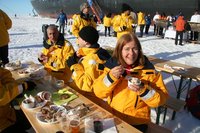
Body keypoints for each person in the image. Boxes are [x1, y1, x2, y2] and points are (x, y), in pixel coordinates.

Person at [93, 33, 168, 132]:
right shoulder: (111, 67)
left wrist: (143, 90)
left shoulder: (149, 72)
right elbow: (98, 92)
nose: (131, 53)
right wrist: (110, 77)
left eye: (135, 49)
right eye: (127, 49)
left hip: (137, 121)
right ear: (120, 50)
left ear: (139, 50)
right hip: (113, 115)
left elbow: (161, 99)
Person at [66, 26, 111, 92]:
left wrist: (74, 66)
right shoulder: (94, 52)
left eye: (79, 37)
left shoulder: (92, 60)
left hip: (89, 97)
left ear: (86, 42)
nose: (77, 39)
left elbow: (86, 85)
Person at [0, 67, 36, 133]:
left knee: (27, 118)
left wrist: (14, 88)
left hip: (7, 113)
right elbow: (2, 97)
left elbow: (5, 76)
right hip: (2, 125)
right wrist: (23, 86)